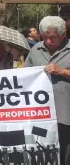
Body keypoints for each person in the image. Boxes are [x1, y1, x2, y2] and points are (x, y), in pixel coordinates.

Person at [24, 16, 70, 165]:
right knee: (42, 152)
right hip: (40, 115)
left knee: (65, 155)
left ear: (63, 35)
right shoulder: (36, 49)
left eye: (52, 37)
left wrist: (63, 71)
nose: (48, 41)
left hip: (65, 115)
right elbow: (25, 75)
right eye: (45, 37)